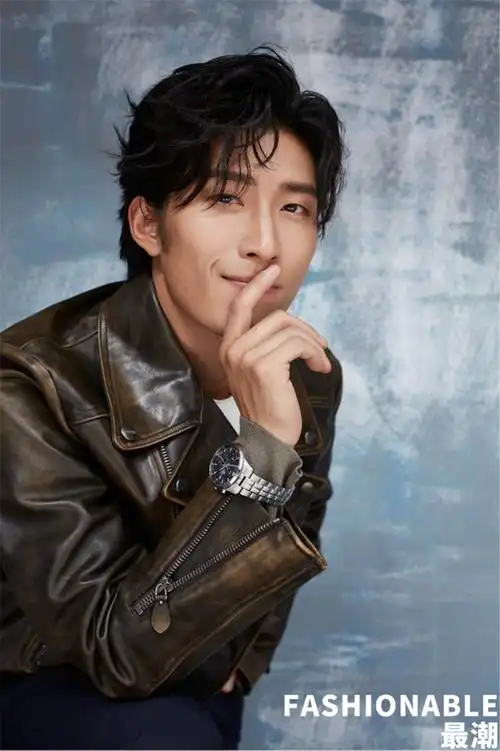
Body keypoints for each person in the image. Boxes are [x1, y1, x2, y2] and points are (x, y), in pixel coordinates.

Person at [0, 46, 345, 749]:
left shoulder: (305, 370)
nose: (265, 243)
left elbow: (293, 537)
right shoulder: (32, 380)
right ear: (148, 224)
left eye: (294, 207)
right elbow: (111, 651)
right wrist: (260, 456)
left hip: (200, 690)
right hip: (47, 686)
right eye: (224, 199)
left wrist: (240, 670)